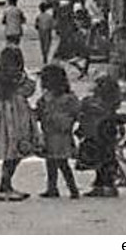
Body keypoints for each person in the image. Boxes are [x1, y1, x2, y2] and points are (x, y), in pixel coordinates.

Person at [0, 40, 38, 201]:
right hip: (17, 116)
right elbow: (29, 89)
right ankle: (5, 185)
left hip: (4, 118)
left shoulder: (2, 79)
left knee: (10, 152)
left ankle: (6, 185)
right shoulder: (19, 78)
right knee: (16, 151)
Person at [35, 62, 82, 199]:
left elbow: (74, 113)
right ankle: (53, 187)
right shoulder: (66, 97)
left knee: (61, 163)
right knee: (52, 163)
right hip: (53, 134)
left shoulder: (64, 99)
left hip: (59, 135)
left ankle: (72, 188)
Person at [76, 74, 123, 198]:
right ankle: (104, 185)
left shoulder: (93, 103)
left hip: (98, 135)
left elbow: (84, 116)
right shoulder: (109, 106)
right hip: (102, 135)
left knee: (101, 161)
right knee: (104, 160)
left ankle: (105, 185)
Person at [35, 1, 57, 65]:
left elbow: (36, 25)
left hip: (41, 31)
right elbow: (53, 25)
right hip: (48, 31)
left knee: (42, 43)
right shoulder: (49, 16)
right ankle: (46, 54)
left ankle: (44, 54)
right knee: (47, 44)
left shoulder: (38, 16)